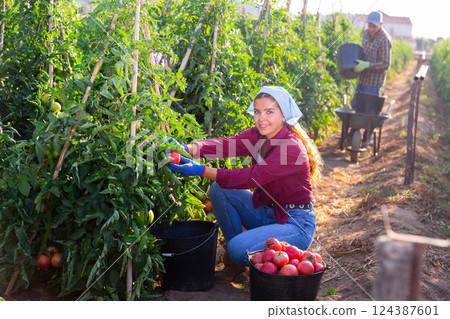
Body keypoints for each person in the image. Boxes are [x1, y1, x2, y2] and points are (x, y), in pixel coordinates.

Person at [166, 86, 322, 279]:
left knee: (238, 248)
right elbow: (226, 145)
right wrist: (186, 149)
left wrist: (202, 170)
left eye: (269, 112)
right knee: (219, 189)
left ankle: (239, 253)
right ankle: (239, 260)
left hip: (295, 223)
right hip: (268, 212)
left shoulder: (290, 147)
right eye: (257, 112)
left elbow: (252, 177)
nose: (261, 118)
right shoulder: (258, 135)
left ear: (284, 116)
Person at [349, 11, 392, 148]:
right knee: (356, 106)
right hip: (362, 79)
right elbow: (363, 52)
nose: (371, 29)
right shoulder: (366, 34)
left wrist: (368, 65)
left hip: (374, 83)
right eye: (369, 25)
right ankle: (353, 133)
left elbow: (386, 64)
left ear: (380, 24)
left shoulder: (384, 40)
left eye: (374, 26)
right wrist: (357, 64)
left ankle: (367, 137)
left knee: (370, 112)